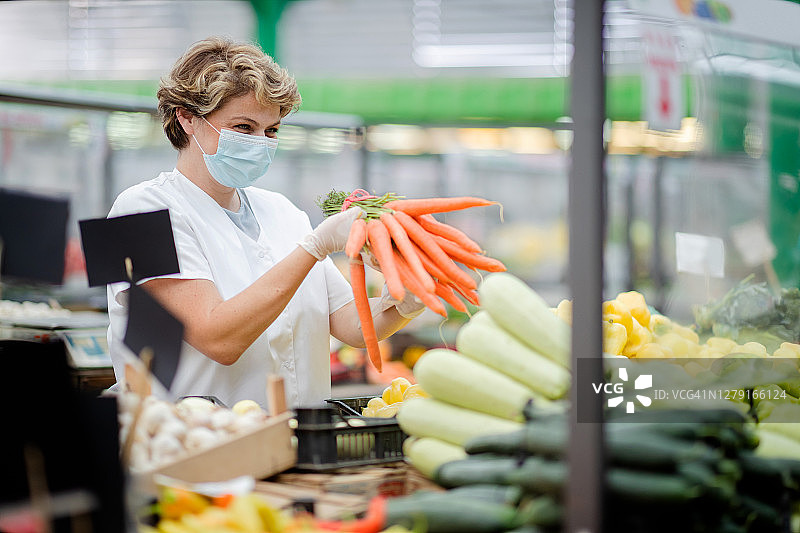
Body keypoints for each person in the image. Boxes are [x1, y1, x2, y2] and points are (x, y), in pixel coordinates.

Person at [106, 37, 424, 409]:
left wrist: (403, 299)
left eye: (271, 130)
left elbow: (350, 325)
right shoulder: (133, 213)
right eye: (244, 127)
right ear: (187, 117)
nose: (260, 142)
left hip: (297, 444)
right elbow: (219, 341)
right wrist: (314, 248)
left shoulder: (283, 211)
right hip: (191, 446)